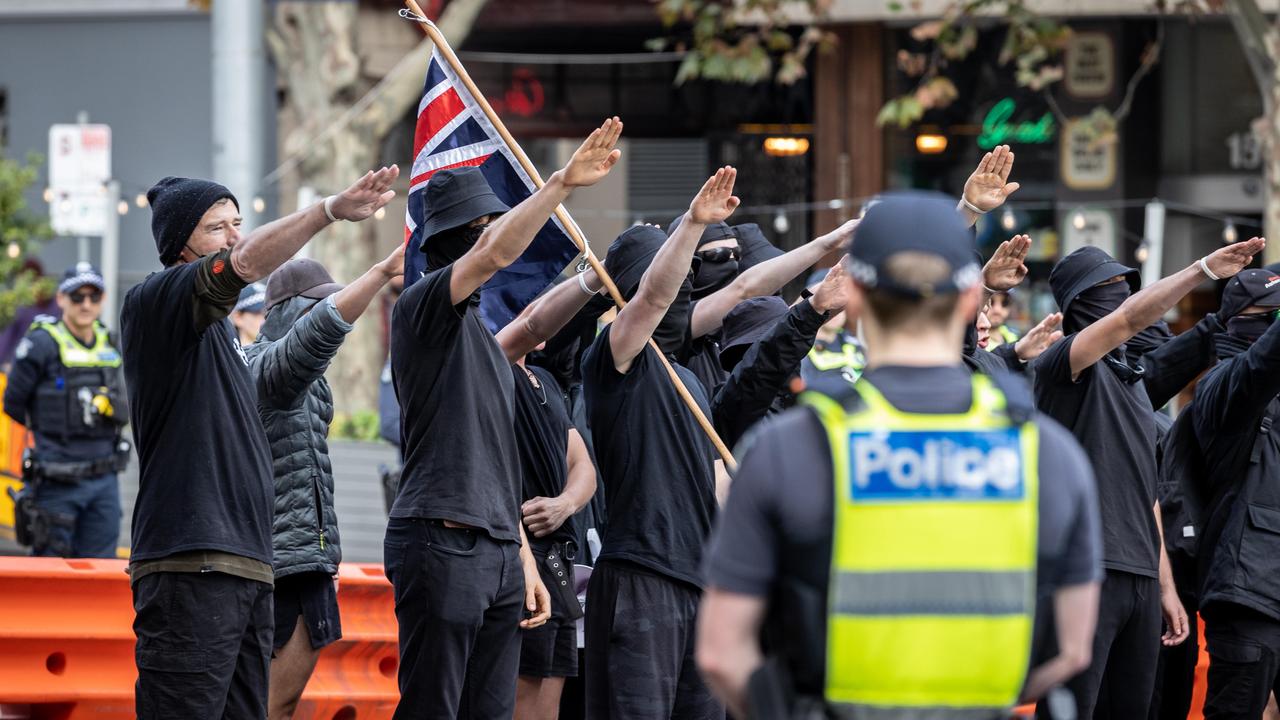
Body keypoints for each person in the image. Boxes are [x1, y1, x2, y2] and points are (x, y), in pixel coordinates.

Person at [696, 191, 1103, 719]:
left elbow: (721, 653)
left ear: (856, 299)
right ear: (967, 303)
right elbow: (1071, 649)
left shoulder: (789, 450)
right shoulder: (1047, 454)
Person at [121, 166, 398, 719]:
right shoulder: (157, 302)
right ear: (179, 246)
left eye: (237, 223)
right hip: (191, 566)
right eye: (216, 227)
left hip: (248, 568)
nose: (234, 237)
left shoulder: (225, 339)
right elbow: (245, 269)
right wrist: (329, 210)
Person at [385, 117, 621, 719]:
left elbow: (496, 464)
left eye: (494, 222)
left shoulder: (490, 349)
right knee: (433, 706)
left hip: (495, 549)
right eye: (482, 228)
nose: (496, 239)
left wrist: (520, 560)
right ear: (451, 242)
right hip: (441, 538)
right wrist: (562, 184)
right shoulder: (423, 308)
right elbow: (495, 253)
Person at [1031, 238, 1264, 719]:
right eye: (1108, 287)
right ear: (1078, 301)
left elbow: (1148, 493)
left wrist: (1164, 588)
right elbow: (1128, 320)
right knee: (1072, 709)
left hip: (1139, 575)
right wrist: (1201, 269)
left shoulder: (1134, 384)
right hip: (1087, 572)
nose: (1119, 295)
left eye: (1125, 286)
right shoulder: (1062, 367)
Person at [581, 167, 741, 719]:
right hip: (640, 581)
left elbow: (713, 482)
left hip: (702, 586)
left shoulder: (690, 378)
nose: (684, 289)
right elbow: (650, 300)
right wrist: (694, 223)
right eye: (672, 274)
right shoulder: (614, 358)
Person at [246, 245, 405, 720]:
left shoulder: (313, 383)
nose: (329, 315)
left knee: (286, 703)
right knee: (268, 704)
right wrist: (377, 273)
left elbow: (314, 472)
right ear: (286, 313)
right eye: (317, 306)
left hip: (308, 561)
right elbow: (314, 339)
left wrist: (327, 558)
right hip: (277, 564)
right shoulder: (264, 367)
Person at [1175, 268, 1280, 719]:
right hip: (1247, 594)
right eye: (1272, 316)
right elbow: (1262, 364)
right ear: (1241, 322)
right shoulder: (1222, 386)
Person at [2, 262, 127, 558]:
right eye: (77, 296)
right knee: (50, 574)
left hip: (104, 480)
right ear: (61, 299)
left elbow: (128, 401)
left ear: (103, 300)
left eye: (93, 297)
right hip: (56, 479)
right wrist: (51, 429)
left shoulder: (110, 343)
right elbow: (13, 403)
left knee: (99, 573)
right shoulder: (41, 343)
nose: (86, 304)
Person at [232, 281, 267, 346]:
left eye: (268, 312)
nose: (265, 319)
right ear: (238, 317)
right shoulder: (222, 353)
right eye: (257, 313)